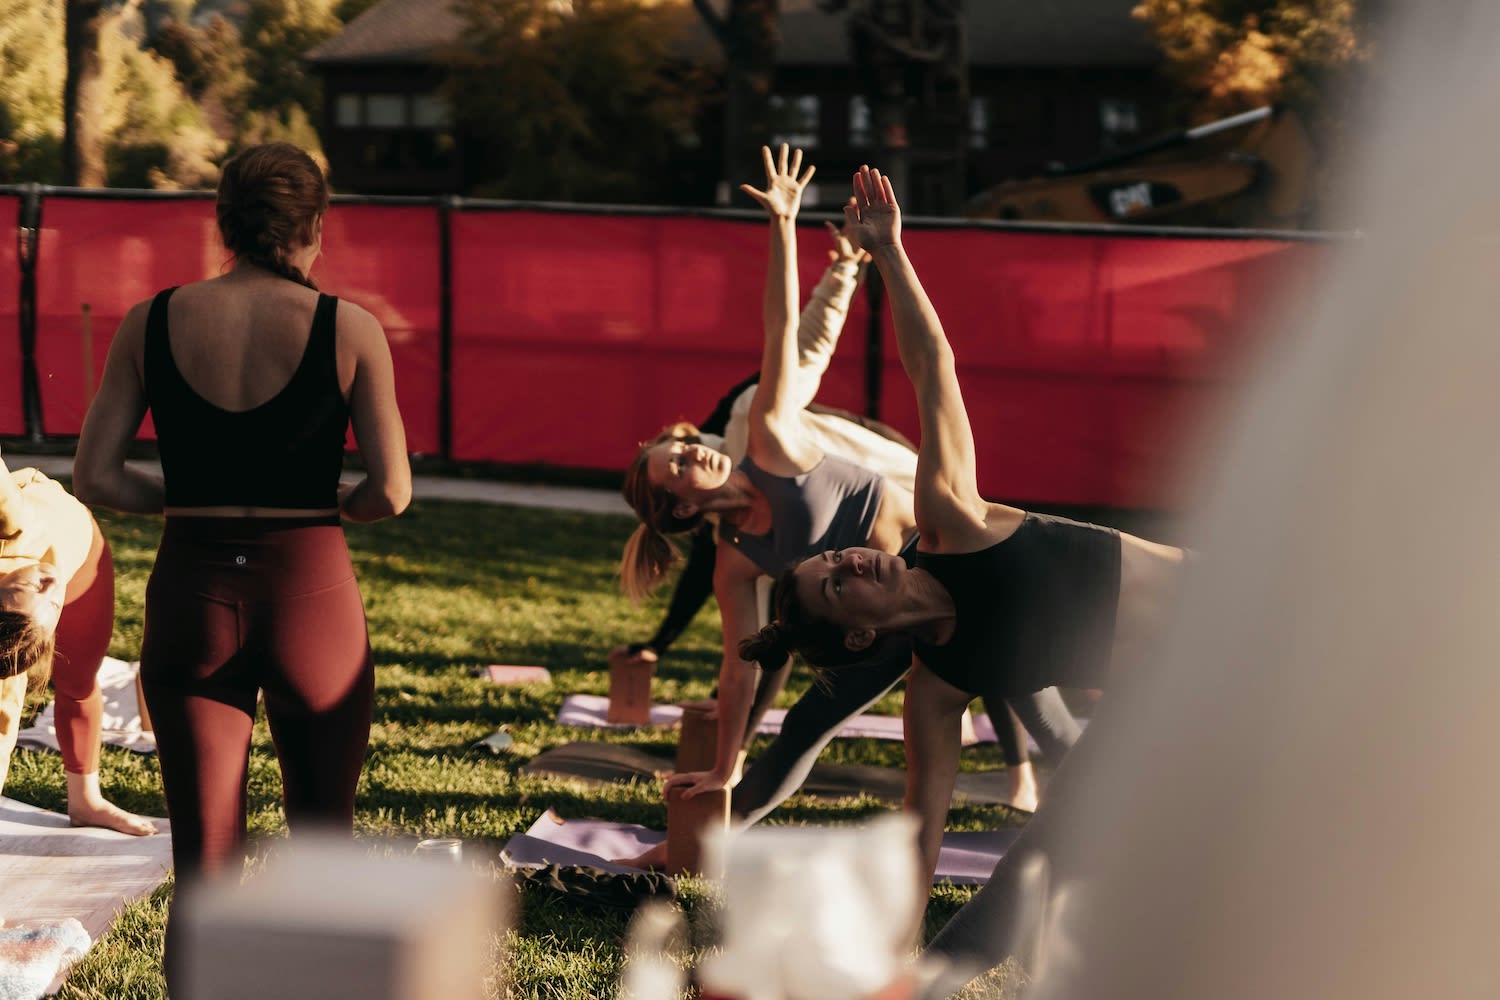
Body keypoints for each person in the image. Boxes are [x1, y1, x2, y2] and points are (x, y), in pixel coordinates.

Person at [739, 165, 1188, 974]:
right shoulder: (937, 687)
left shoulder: (951, 524)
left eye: (834, 558)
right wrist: (896, 948)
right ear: (859, 634)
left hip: (1253, 610)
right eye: (839, 584)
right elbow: (922, 828)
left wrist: (888, 255)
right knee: (1037, 868)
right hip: (1178, 704)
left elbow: (932, 368)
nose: (850, 559)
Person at [620, 145, 1079, 832]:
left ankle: (1115, 815)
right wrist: (723, 765)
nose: (694, 454)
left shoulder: (771, 438)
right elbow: (739, 669)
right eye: (677, 465)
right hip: (885, 624)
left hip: (961, 580)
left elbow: (783, 335)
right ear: (682, 506)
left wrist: (784, 225)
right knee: (804, 727)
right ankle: (700, 844)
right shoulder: (735, 558)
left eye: (685, 445)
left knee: (1043, 714)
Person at [72, 141, 411, 990]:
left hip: (192, 593)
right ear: (317, 229)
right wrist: (324, 507)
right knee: (325, 847)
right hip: (311, 594)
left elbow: (97, 475)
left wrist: (190, 501)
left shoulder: (152, 320)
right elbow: (391, 492)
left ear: (221, 223)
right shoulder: (352, 328)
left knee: (207, 864)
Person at [0, 453, 156, 835]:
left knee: (80, 680)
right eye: (51, 604)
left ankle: (86, 800)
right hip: (64, 558)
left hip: (81, 546)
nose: (53, 589)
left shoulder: (10, 516)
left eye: (40, 593)